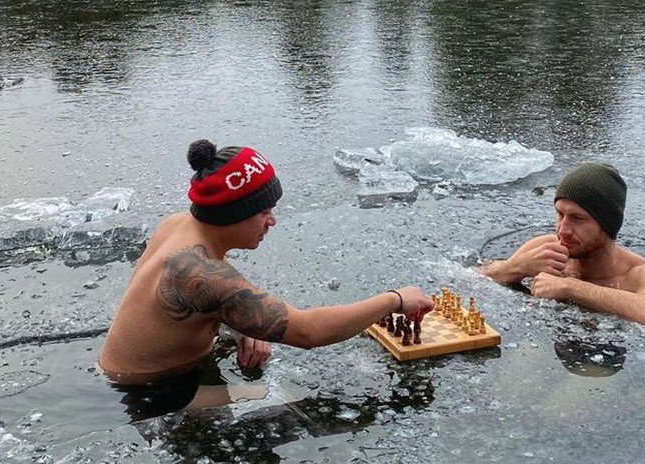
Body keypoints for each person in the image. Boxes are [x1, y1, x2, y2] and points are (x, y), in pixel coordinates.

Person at [100, 139, 434, 415]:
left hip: (138, 369)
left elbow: (208, 302)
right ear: (232, 214)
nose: (271, 222)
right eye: (263, 212)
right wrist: (394, 299)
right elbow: (306, 332)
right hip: (150, 393)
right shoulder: (199, 272)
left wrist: (242, 323)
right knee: (287, 398)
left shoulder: (179, 225)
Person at [478, 162, 645, 331]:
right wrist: (517, 266)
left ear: (606, 224)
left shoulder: (641, 275)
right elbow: (471, 278)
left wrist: (569, 287)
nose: (563, 230)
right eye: (560, 214)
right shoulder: (543, 249)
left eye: (577, 218)